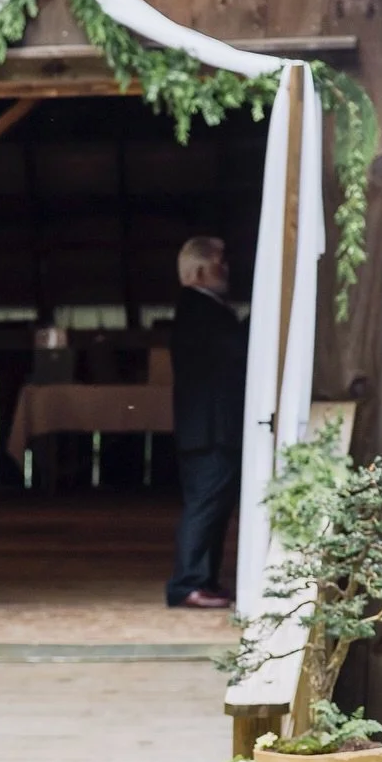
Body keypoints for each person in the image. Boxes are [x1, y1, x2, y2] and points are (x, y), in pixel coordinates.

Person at [167, 234, 249, 609]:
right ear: (199, 271)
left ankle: (205, 579)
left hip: (211, 427)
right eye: (220, 262)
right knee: (205, 505)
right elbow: (233, 352)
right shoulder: (200, 310)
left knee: (212, 506)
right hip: (211, 429)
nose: (226, 269)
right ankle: (188, 583)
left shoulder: (201, 310)